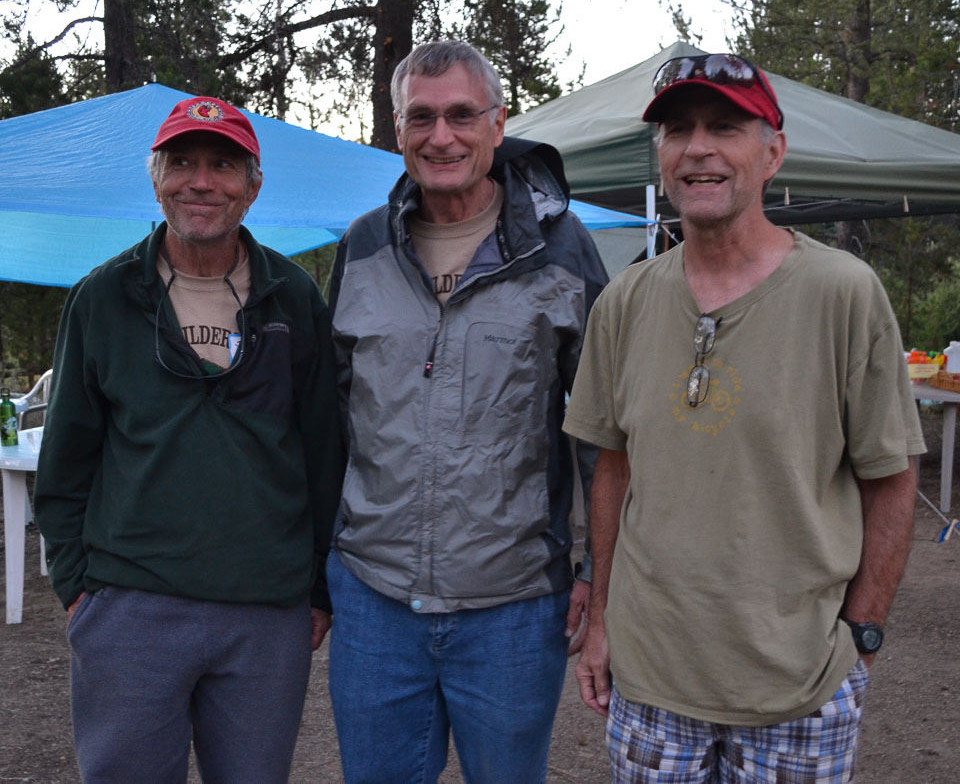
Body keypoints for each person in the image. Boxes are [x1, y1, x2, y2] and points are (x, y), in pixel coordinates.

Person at [564, 54, 925, 783]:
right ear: (661, 157)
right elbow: (614, 469)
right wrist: (601, 619)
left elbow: (891, 477)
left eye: (725, 127)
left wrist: (864, 634)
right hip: (652, 677)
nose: (698, 148)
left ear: (773, 152)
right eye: (677, 130)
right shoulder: (625, 302)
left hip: (800, 683)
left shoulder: (843, 295)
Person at [34, 96, 342, 783]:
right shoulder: (105, 298)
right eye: (182, 163)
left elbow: (324, 450)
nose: (201, 181)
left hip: (264, 615)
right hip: (130, 608)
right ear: (155, 177)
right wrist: (79, 590)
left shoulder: (293, 300)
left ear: (253, 184)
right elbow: (66, 459)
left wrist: (316, 586)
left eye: (222, 165)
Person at [326, 40, 608, 783]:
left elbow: (606, 430)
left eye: (460, 115)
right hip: (373, 596)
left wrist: (597, 571)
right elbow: (329, 417)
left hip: (513, 604)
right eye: (421, 117)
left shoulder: (562, 249)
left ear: (497, 122)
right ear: (397, 130)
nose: (441, 136)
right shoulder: (361, 247)